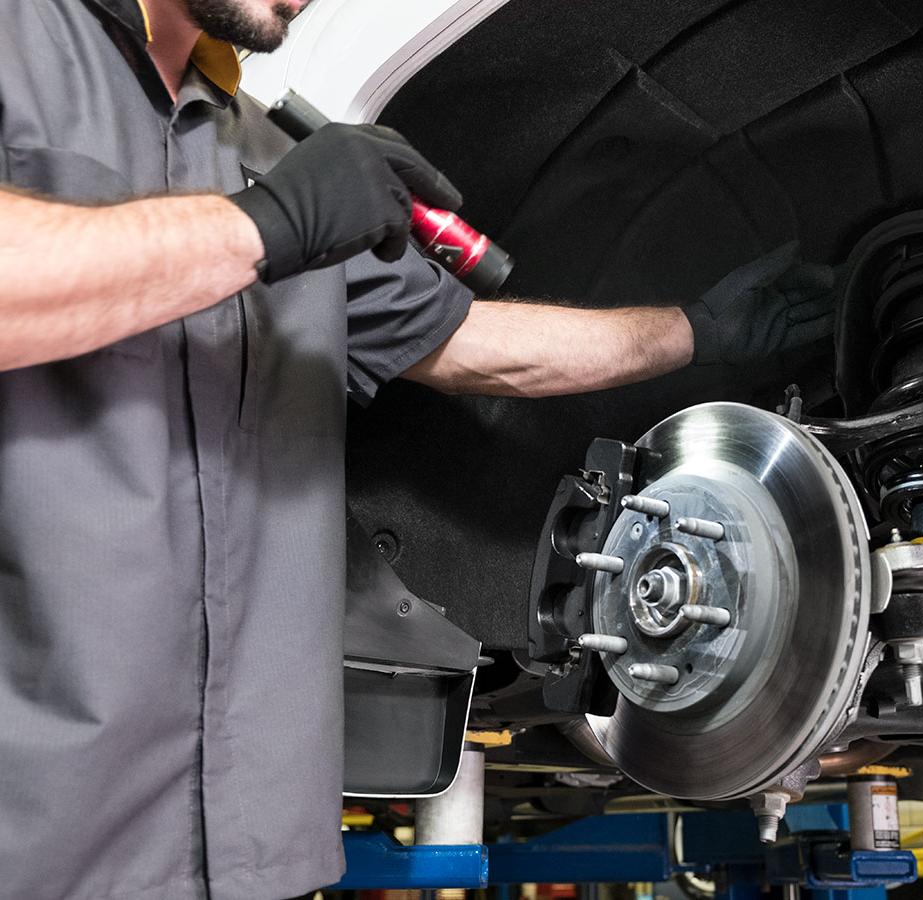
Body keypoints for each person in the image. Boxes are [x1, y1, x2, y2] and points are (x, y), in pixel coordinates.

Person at [0, 1, 835, 897]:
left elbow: (477, 345)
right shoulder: (23, 45)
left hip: (245, 844)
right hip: (39, 824)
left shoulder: (263, 152)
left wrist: (694, 332)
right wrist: (267, 225)